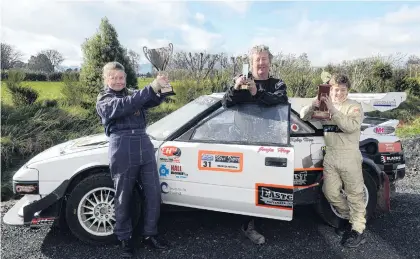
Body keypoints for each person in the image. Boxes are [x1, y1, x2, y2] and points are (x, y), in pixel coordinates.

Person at [96, 62, 169, 258]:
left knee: (153, 192)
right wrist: (151, 87)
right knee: (124, 194)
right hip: (122, 145)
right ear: (106, 79)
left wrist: (162, 88)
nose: (118, 81)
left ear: (125, 78)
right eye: (114, 78)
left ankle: (150, 234)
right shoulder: (104, 99)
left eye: (121, 77)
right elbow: (126, 105)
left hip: (143, 142)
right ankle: (124, 238)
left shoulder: (133, 94)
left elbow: (151, 101)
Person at [222, 45, 289, 245]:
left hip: (269, 141)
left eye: (264, 59)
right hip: (242, 141)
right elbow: (225, 103)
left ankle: (262, 216)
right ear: (251, 63)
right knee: (247, 184)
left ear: (270, 61)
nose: (261, 63)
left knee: (266, 184)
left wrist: (256, 91)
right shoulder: (240, 80)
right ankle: (247, 225)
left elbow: (280, 100)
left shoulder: (278, 83)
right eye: (257, 60)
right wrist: (236, 87)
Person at [300, 73, 366, 248]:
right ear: (330, 89)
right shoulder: (323, 106)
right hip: (331, 155)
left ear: (347, 90)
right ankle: (349, 219)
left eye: (343, 90)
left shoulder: (354, 106)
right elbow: (303, 115)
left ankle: (358, 230)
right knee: (330, 192)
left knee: (355, 194)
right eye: (336, 90)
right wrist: (313, 104)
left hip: (349, 155)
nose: (339, 93)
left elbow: (350, 126)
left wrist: (334, 111)